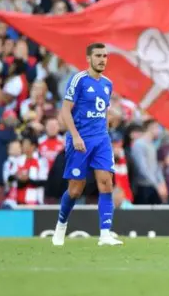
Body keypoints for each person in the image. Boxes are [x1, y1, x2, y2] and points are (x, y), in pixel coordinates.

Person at [51, 43, 122, 246]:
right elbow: (65, 110)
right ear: (88, 58)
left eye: (105, 56)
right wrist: (75, 136)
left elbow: (103, 112)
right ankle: (60, 227)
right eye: (98, 55)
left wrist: (107, 133)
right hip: (80, 140)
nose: (102, 59)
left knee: (106, 183)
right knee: (75, 190)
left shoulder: (108, 83)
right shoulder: (79, 80)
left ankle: (105, 234)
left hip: (101, 140)